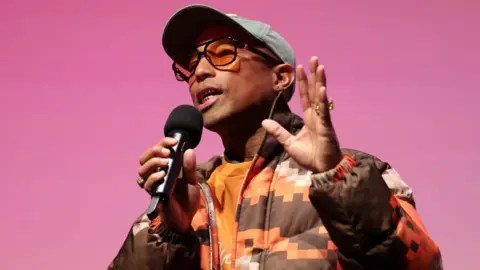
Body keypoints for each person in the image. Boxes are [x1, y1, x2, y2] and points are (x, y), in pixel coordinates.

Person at [108, 4, 442, 270]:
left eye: (223, 52)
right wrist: (170, 232)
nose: (199, 72)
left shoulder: (353, 176)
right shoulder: (186, 193)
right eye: (190, 63)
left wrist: (337, 179)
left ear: (280, 78)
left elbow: (419, 264)